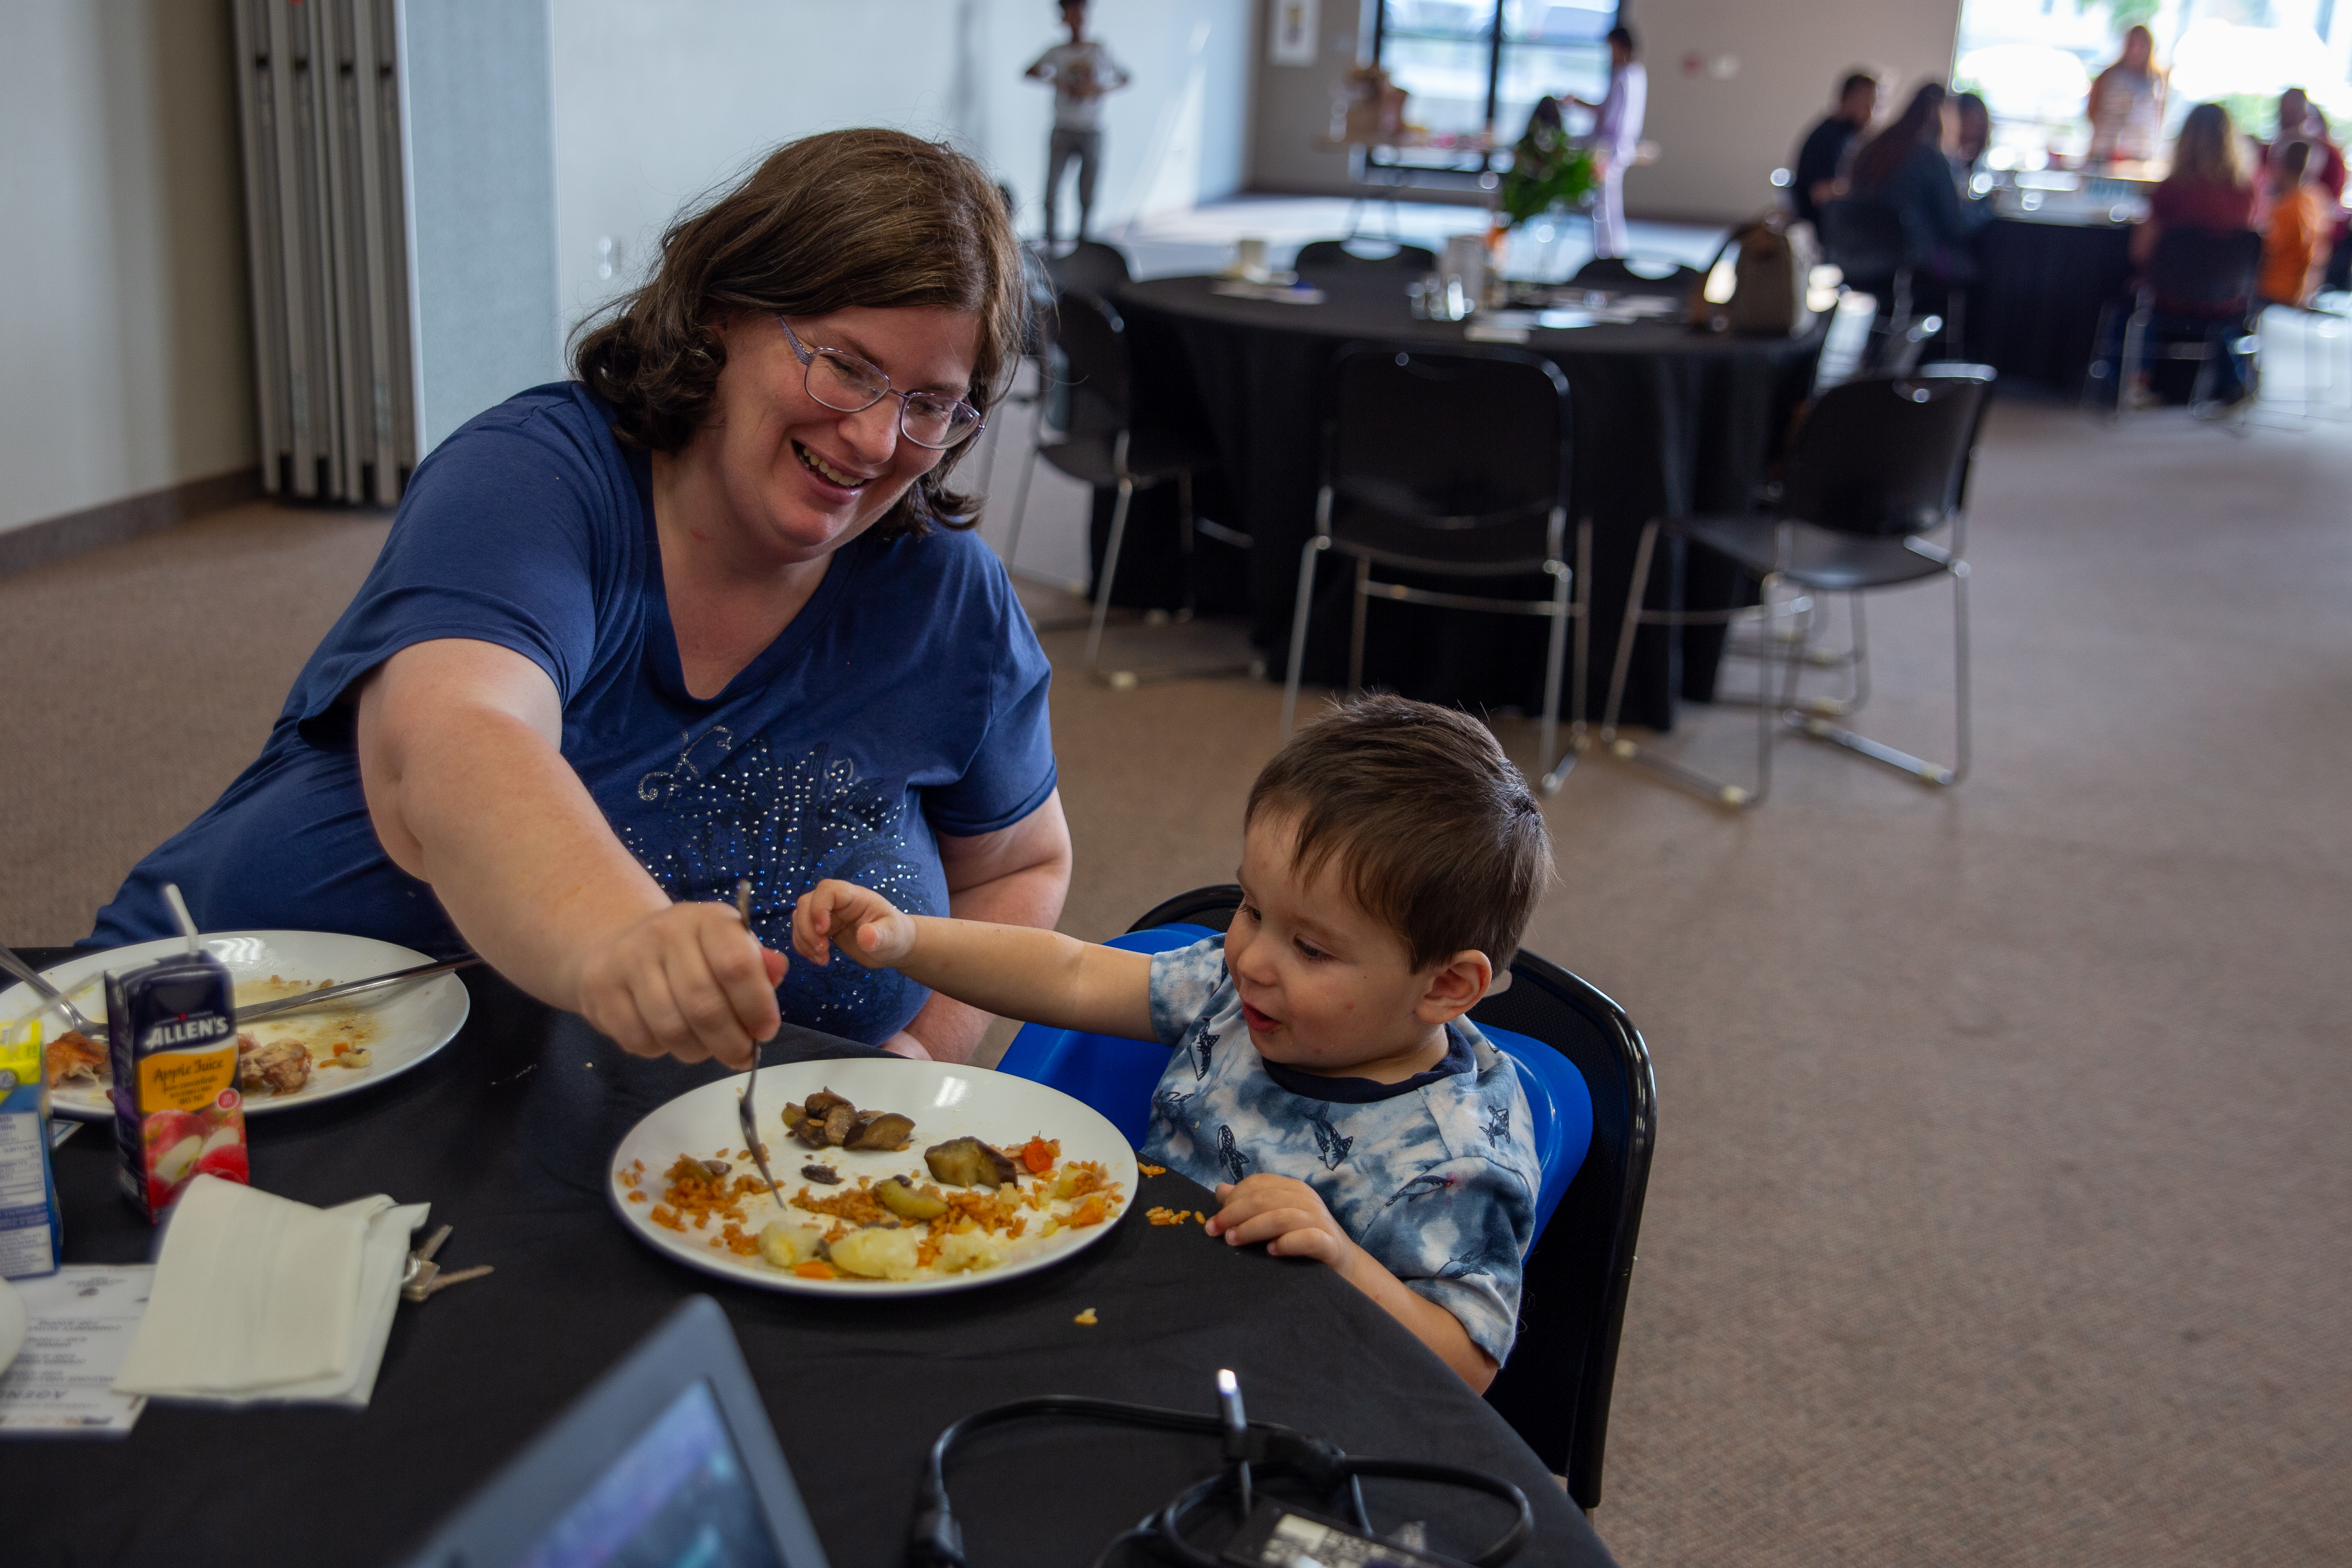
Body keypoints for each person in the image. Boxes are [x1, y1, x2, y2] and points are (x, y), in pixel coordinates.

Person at [87, 129, 1072, 1069]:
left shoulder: (948, 602)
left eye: (930, 404)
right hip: (211, 1060)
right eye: (846, 365)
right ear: (723, 315)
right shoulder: (533, 480)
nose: (872, 438)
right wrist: (622, 941)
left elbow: (1016, 866)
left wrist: (916, 1053)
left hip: (624, 1157)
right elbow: (455, 743)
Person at [789, 695, 1548, 1391]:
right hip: (1132, 1313)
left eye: (1311, 948)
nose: (1250, 957)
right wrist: (906, 938)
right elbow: (1072, 971)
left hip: (1278, 1400)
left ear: (1446, 988)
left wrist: (1343, 1260)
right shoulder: (1239, 987)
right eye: (1251, 908)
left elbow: (1465, 1364)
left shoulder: (1455, 1159)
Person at [2125, 103, 2258, 404]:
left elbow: (2139, 252)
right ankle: (2232, 380)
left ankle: (2130, 378)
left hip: (2171, 294)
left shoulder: (2170, 191)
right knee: (2212, 306)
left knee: (2124, 296)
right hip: (2228, 298)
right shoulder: (2246, 193)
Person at [1847, 82, 1988, 286]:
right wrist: (1986, 206)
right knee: (1977, 271)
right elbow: (1957, 226)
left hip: (1856, 255)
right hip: (1911, 263)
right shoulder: (1931, 159)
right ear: (1946, 118)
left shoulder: (1875, 146)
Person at [1025, 1, 1131, 248]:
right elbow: (1030, 72)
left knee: (1087, 193)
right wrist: (1057, 82)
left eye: (1081, 12)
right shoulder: (1057, 52)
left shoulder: (1099, 50)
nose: (1077, 18)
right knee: (1051, 191)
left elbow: (1125, 78)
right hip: (1063, 128)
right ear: (1064, 18)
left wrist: (1099, 90)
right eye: (1072, 13)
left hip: (1092, 130)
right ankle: (1051, 244)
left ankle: (1084, 245)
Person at [1566, 25, 1647, 257]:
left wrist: (1579, 103)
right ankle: (1610, 253)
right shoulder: (1635, 73)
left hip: (1610, 146)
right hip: (1617, 144)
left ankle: (1608, 255)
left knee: (1604, 205)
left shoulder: (1625, 76)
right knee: (1608, 205)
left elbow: (1609, 117)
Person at [1791, 70, 1878, 229]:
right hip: (1822, 237)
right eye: (1869, 104)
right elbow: (1820, 193)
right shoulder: (1827, 138)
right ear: (1850, 98)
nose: (1872, 114)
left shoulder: (1844, 137)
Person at [2086, 25, 2166, 166]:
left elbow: (2159, 117)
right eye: (2132, 44)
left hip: (2139, 155)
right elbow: (2092, 112)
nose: (2136, 50)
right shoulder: (2109, 76)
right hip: (2105, 153)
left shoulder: (2156, 79)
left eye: (2141, 45)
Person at [2258, 140, 2324, 308]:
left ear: (2281, 166)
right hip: (2300, 291)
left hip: (2275, 291)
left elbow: (2268, 251)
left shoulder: (2285, 209)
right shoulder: (2312, 202)